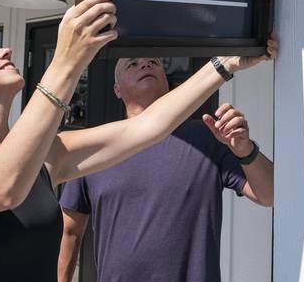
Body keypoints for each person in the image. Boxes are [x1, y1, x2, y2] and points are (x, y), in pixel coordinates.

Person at [0, 0, 276, 281]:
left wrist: (224, 64)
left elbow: (149, 126)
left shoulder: (52, 155)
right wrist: (66, 62)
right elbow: (1, 188)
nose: (5, 50)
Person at [57, 55, 275, 282]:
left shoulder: (209, 137)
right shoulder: (95, 147)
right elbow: (70, 233)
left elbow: (269, 195)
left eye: (154, 62)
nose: (145, 64)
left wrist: (245, 150)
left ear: (165, 79)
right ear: (117, 89)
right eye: (132, 64)